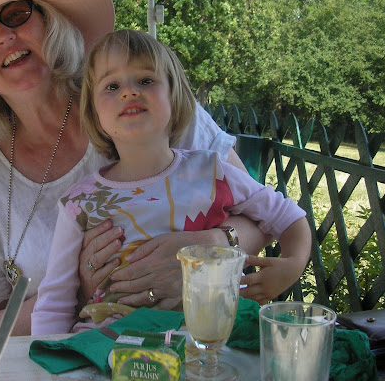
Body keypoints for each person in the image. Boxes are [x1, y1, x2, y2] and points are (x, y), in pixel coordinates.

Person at [0, 0, 270, 338]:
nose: (4, 36)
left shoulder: (145, 106)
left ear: (50, 23)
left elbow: (263, 218)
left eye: (16, 14)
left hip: (196, 349)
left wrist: (207, 248)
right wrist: (76, 289)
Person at [31, 30, 311, 335]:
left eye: (146, 80)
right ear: (95, 114)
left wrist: (293, 264)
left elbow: (288, 217)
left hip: (204, 343)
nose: (129, 92)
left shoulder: (212, 172)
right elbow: (54, 303)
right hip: (105, 349)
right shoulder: (79, 203)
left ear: (175, 97)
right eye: (112, 86)